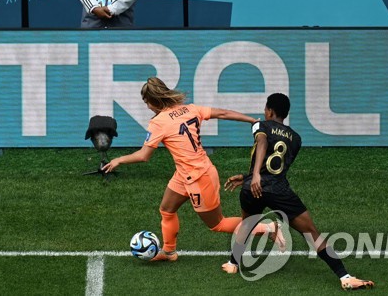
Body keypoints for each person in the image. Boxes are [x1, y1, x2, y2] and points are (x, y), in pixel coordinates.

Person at [101, 78, 280, 257]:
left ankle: (268, 227)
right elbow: (223, 113)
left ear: (154, 100)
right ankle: (169, 252)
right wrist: (252, 120)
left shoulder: (158, 122)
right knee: (166, 209)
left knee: (217, 224)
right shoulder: (190, 109)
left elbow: (144, 156)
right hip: (184, 173)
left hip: (199, 177)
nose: (147, 106)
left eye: (147, 102)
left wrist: (119, 160)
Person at [221, 92, 375, 289]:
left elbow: (262, 143)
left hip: (254, 187)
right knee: (311, 232)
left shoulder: (261, 125)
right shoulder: (296, 138)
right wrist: (247, 176)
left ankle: (233, 264)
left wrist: (253, 177)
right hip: (278, 189)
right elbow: (275, 167)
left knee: (247, 224)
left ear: (269, 110)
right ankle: (345, 277)